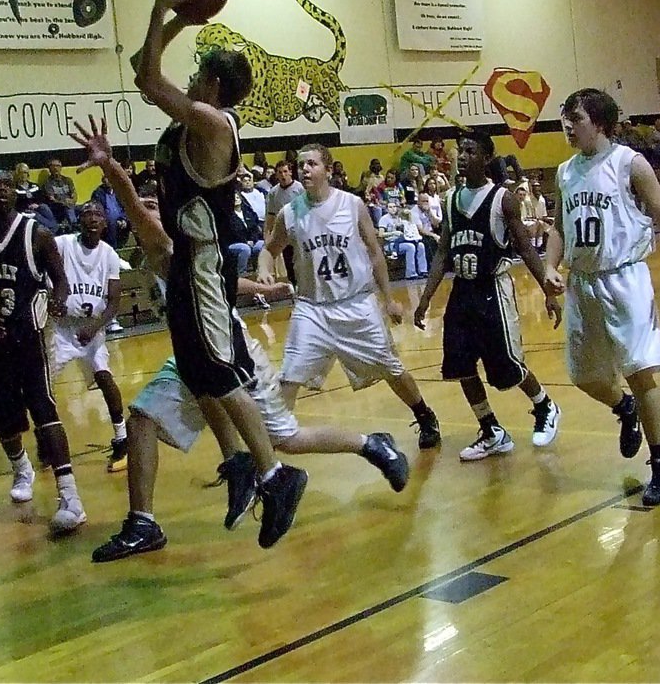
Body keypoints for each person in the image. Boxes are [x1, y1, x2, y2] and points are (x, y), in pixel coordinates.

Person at [70, 120, 408, 563]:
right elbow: (217, 275)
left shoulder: (169, 244)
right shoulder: (167, 247)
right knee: (141, 419)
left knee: (283, 437)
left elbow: (136, 210)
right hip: (192, 355)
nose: (151, 210)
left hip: (230, 348)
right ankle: (144, 522)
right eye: (151, 206)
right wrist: (262, 289)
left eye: (157, 206)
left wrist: (112, 169)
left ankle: (369, 443)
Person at [133, 0, 308, 549]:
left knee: (219, 371)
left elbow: (150, 82)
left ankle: (277, 474)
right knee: (196, 367)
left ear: (209, 84)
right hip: (185, 261)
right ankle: (240, 465)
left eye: (198, 71)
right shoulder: (201, 113)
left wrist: (164, 9)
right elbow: (143, 67)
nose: (190, 76)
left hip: (205, 264)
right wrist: (182, 19)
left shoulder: (210, 122)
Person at [544, 88, 660, 507]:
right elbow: (557, 226)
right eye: (565, 118)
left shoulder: (630, 163)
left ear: (601, 124)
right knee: (585, 377)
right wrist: (551, 265)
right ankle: (624, 409)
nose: (568, 126)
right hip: (583, 282)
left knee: (640, 372)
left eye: (577, 118)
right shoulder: (565, 171)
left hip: (625, 278)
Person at [258, 144, 442, 450]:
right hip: (312, 308)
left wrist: (389, 298)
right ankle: (265, 451)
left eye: (312, 164)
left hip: (356, 303)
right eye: (301, 164)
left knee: (391, 368)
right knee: (289, 376)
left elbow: (374, 251)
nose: (305, 169)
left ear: (328, 171)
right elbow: (269, 249)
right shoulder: (290, 213)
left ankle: (424, 415)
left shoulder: (352, 204)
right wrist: (264, 269)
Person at [414, 133, 563, 461]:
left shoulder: (502, 198)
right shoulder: (451, 198)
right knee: (461, 365)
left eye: (470, 151)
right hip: (462, 292)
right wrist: (425, 298)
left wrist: (548, 292)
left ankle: (545, 406)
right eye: (460, 152)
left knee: (507, 365)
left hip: (493, 290)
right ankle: (491, 429)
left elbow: (525, 247)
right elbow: (442, 252)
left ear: (485, 158)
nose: (462, 157)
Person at [0, 170, 83, 534]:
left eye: (7, 184)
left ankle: (70, 497)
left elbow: (60, 282)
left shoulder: (36, 234)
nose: (0, 190)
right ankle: (21, 466)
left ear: (15, 192)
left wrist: (55, 304)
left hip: (29, 340)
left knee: (45, 412)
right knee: (2, 418)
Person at [48, 203, 129, 473]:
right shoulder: (62, 244)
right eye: (87, 214)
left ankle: (121, 439)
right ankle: (45, 438)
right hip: (61, 329)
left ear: (105, 224)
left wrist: (95, 327)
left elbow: (114, 302)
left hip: (91, 329)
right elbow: (39, 256)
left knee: (104, 377)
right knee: (43, 388)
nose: (93, 219)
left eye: (98, 215)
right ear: (78, 220)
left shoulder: (109, 255)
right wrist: (49, 295)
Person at [265, 161, 304, 285]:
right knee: (289, 261)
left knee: (302, 260)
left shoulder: (300, 189)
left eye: (285, 171)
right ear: (276, 175)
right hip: (284, 232)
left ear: (290, 172)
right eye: (280, 172)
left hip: (300, 230)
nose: (283, 175)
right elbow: (270, 214)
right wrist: (267, 233)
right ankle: (294, 286)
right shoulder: (273, 193)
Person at [377, 200, 428, 280]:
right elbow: (380, 234)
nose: (393, 209)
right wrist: (394, 233)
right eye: (390, 207)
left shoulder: (400, 217)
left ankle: (423, 271)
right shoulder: (384, 219)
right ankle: (411, 273)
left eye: (394, 207)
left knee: (420, 245)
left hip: (405, 239)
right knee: (410, 247)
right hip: (392, 243)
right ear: (387, 209)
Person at [227, 183, 264, 274]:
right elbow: (232, 233)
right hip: (235, 242)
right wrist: (245, 241)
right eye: (234, 198)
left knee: (261, 245)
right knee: (245, 249)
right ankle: (241, 274)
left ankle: (259, 271)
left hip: (251, 240)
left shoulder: (248, 212)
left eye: (238, 197)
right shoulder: (228, 216)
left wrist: (253, 240)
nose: (236, 199)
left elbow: (255, 228)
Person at [41, 158, 78, 232]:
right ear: (49, 168)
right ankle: (75, 228)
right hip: (57, 207)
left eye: (58, 166)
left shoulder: (68, 180)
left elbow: (74, 194)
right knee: (68, 208)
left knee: (88, 206)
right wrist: (65, 202)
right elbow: (52, 199)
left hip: (71, 205)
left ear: (61, 168)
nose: (55, 168)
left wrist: (72, 201)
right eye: (53, 166)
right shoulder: (47, 183)